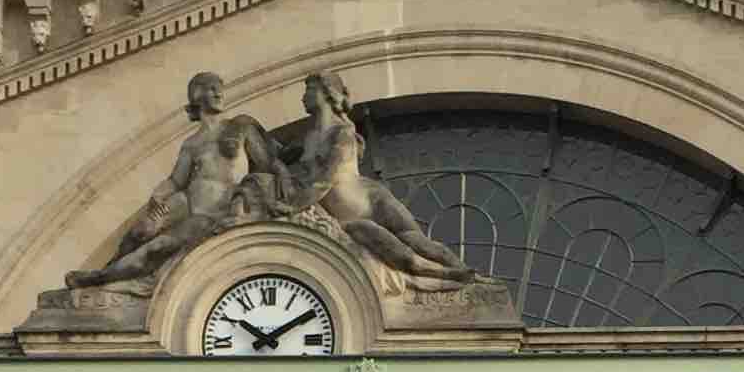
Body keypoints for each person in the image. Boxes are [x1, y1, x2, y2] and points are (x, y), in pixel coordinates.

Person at [64, 74, 288, 289]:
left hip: (218, 212)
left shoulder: (239, 127)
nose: (219, 93)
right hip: (191, 206)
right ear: (197, 97)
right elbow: (176, 180)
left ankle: (101, 278)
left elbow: (269, 164)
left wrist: (284, 183)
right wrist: (159, 193)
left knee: (156, 247)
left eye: (219, 88)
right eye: (211, 89)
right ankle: (109, 269)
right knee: (140, 232)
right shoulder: (191, 143)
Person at [292, 73, 478, 282]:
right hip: (350, 215)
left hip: (369, 198)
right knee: (390, 244)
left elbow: (326, 180)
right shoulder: (309, 138)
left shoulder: (342, 133)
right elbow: (276, 160)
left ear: (327, 94)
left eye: (309, 90)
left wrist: (291, 206)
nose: (303, 97)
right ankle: (443, 273)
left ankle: (465, 272)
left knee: (416, 240)